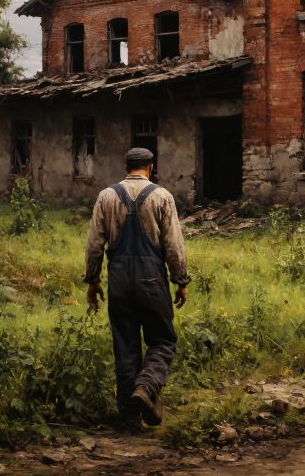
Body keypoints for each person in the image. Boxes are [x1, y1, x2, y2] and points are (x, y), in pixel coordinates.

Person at [84, 147, 191, 429]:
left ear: (126, 166)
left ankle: (129, 417)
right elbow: (173, 245)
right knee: (163, 340)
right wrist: (180, 280)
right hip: (151, 279)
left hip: (118, 279)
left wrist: (93, 281)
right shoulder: (162, 196)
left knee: (125, 345)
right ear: (150, 167)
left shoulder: (106, 196)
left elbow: (94, 243)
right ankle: (145, 388)